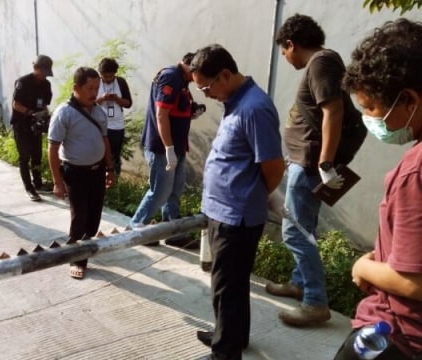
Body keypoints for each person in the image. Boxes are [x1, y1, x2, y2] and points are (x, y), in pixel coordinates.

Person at [333, 18, 422, 360]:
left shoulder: (415, 172)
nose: (369, 119)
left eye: (370, 108)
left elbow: (415, 282)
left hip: (397, 336)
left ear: (409, 99)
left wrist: (364, 267)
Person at [265, 14, 360, 326]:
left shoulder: (321, 62)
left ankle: (316, 302)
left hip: (309, 165)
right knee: (305, 227)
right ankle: (300, 284)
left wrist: (325, 163)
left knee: (295, 230)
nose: (284, 56)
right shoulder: (322, 62)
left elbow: (333, 110)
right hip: (305, 163)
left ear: (291, 44)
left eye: (283, 50)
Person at [191, 45, 285, 360]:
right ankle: (231, 335)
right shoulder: (236, 101)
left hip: (237, 217)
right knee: (231, 284)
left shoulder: (255, 108)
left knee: (226, 287)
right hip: (225, 212)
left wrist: (254, 196)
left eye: (206, 87)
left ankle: (225, 352)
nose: (205, 95)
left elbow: (273, 167)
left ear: (226, 75)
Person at [129, 52, 202, 249]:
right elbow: (161, 115)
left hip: (177, 145)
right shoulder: (171, 76)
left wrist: (192, 112)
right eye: (198, 74)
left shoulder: (183, 81)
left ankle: (171, 232)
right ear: (189, 67)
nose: (199, 80)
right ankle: (137, 227)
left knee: (174, 192)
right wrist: (168, 148)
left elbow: (175, 110)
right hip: (162, 147)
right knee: (160, 191)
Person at [47, 67, 114, 280]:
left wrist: (110, 168)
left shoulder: (98, 112)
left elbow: (105, 140)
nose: (94, 93)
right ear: (76, 88)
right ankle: (77, 259)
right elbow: (52, 149)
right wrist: (57, 181)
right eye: (89, 88)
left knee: (94, 220)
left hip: (97, 172)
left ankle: (74, 246)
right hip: (75, 173)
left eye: (96, 88)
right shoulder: (64, 113)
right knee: (80, 217)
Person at [11, 55, 54, 202]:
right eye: (42, 73)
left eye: (46, 74)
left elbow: (44, 104)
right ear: (35, 68)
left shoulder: (46, 85)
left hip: (35, 126)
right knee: (25, 157)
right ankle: (29, 188)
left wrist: (45, 115)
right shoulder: (22, 82)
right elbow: (15, 104)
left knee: (37, 155)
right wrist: (31, 113)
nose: (44, 77)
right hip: (21, 125)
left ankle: (38, 184)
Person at [95, 58, 133, 175]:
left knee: (114, 155)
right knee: (99, 155)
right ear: (100, 74)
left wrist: (117, 99)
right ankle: (99, 180)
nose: (108, 79)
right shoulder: (95, 82)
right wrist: (102, 98)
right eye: (105, 77)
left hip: (117, 126)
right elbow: (89, 104)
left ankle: (114, 181)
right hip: (99, 125)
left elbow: (128, 103)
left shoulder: (120, 82)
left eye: (111, 76)